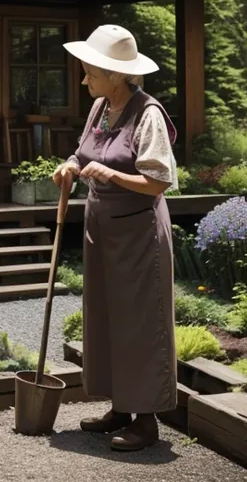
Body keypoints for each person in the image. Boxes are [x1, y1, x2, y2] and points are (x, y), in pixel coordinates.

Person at [53, 24, 178, 452]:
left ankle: (146, 422)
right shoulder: (100, 107)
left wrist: (111, 174)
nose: (84, 79)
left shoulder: (148, 114)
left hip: (138, 232)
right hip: (101, 228)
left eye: (90, 72)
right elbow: (84, 151)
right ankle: (120, 408)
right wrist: (69, 166)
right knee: (105, 316)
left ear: (115, 74)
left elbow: (159, 181)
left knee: (140, 321)